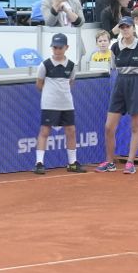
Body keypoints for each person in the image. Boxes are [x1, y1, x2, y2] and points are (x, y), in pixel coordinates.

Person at [97, 15, 138, 174]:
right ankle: (109, 162)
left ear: (133, 28)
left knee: (135, 125)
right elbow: (114, 68)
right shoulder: (114, 48)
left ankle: (130, 162)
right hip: (120, 84)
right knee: (109, 127)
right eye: (122, 27)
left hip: (136, 83)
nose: (125, 30)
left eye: (128, 27)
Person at [34, 34, 82, 173]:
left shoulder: (71, 66)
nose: (57, 50)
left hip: (67, 104)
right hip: (49, 104)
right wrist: (50, 95)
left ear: (66, 47)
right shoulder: (45, 65)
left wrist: (62, 95)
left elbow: (71, 82)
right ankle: (39, 163)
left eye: (60, 47)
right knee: (45, 131)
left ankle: (72, 163)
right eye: (55, 47)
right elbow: (39, 84)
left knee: (71, 131)